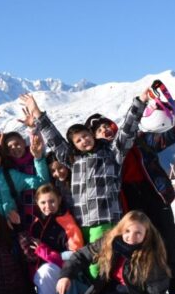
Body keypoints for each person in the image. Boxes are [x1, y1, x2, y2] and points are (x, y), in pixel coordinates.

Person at [91, 100, 175, 294]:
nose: (105, 131)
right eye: (100, 131)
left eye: (107, 127)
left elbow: (171, 135)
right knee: (139, 258)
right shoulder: (101, 157)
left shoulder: (140, 140)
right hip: (127, 207)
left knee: (170, 253)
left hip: (154, 198)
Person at [23, 90, 146, 245]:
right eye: (78, 140)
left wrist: (140, 102)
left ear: (92, 134)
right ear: (74, 145)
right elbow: (54, 139)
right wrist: (36, 112)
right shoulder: (74, 160)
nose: (84, 141)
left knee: (97, 264)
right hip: (81, 221)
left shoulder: (111, 154)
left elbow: (127, 131)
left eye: (86, 136)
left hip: (104, 218)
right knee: (88, 263)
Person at [56, 210, 174, 294]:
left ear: (146, 235)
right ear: (121, 229)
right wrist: (66, 275)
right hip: (111, 292)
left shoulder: (150, 258)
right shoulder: (110, 242)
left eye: (138, 233)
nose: (131, 237)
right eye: (127, 231)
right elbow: (81, 256)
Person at [22, 184, 83, 294]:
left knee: (47, 272)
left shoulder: (66, 222)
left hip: (64, 272)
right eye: (43, 202)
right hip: (38, 274)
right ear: (37, 203)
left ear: (60, 200)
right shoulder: (37, 224)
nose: (48, 206)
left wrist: (47, 253)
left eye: (52, 201)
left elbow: (76, 254)